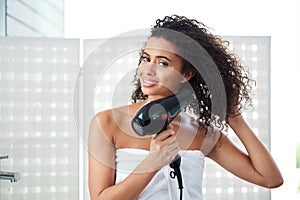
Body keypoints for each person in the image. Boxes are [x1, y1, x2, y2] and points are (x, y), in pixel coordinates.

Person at [88, 15, 283, 200]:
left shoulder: (202, 133)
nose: (148, 69)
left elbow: (270, 178)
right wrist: (153, 162)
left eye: (163, 63)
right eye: (146, 58)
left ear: (186, 74)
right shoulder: (107, 123)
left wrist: (234, 117)